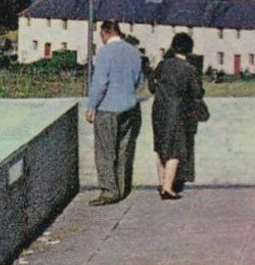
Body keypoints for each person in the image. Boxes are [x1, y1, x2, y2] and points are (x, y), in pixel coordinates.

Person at [84, 19, 144, 206]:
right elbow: (139, 79)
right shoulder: (134, 52)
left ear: (105, 33)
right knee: (123, 149)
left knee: (105, 152)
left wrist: (91, 105)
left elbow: (100, 83)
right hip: (130, 107)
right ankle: (122, 188)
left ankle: (109, 191)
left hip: (108, 108)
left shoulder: (105, 53)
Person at [150, 32, 204, 200]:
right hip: (176, 111)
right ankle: (168, 188)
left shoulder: (163, 64)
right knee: (175, 149)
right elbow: (197, 93)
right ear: (189, 49)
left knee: (160, 146)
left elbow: (151, 84)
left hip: (158, 108)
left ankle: (161, 182)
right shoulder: (189, 69)